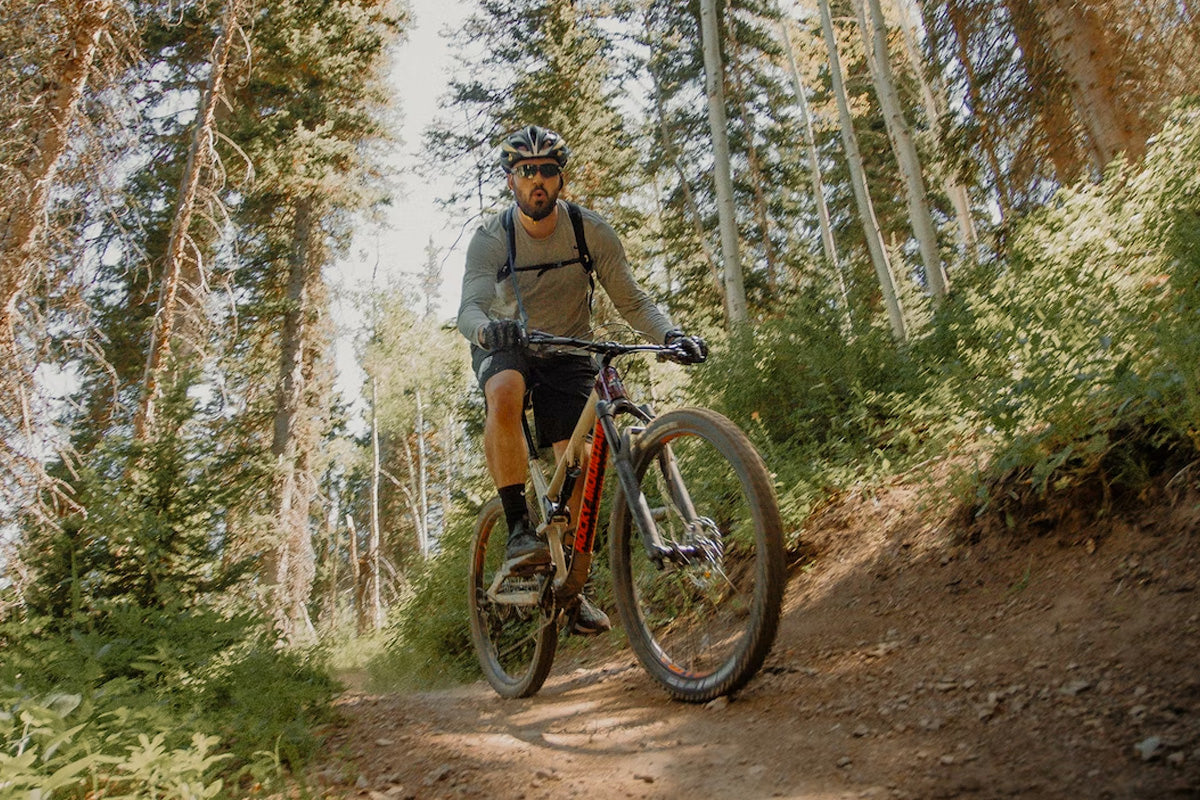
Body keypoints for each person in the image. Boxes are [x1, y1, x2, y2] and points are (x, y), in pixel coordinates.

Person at [457, 125, 706, 635]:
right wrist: (487, 328)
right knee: (505, 389)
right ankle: (518, 527)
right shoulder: (491, 238)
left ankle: (575, 584)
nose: (537, 180)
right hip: (508, 344)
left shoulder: (590, 231)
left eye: (547, 170)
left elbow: (632, 299)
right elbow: (469, 307)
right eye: (527, 172)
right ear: (512, 182)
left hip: (570, 348)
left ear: (562, 178)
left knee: (583, 457)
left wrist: (671, 334)